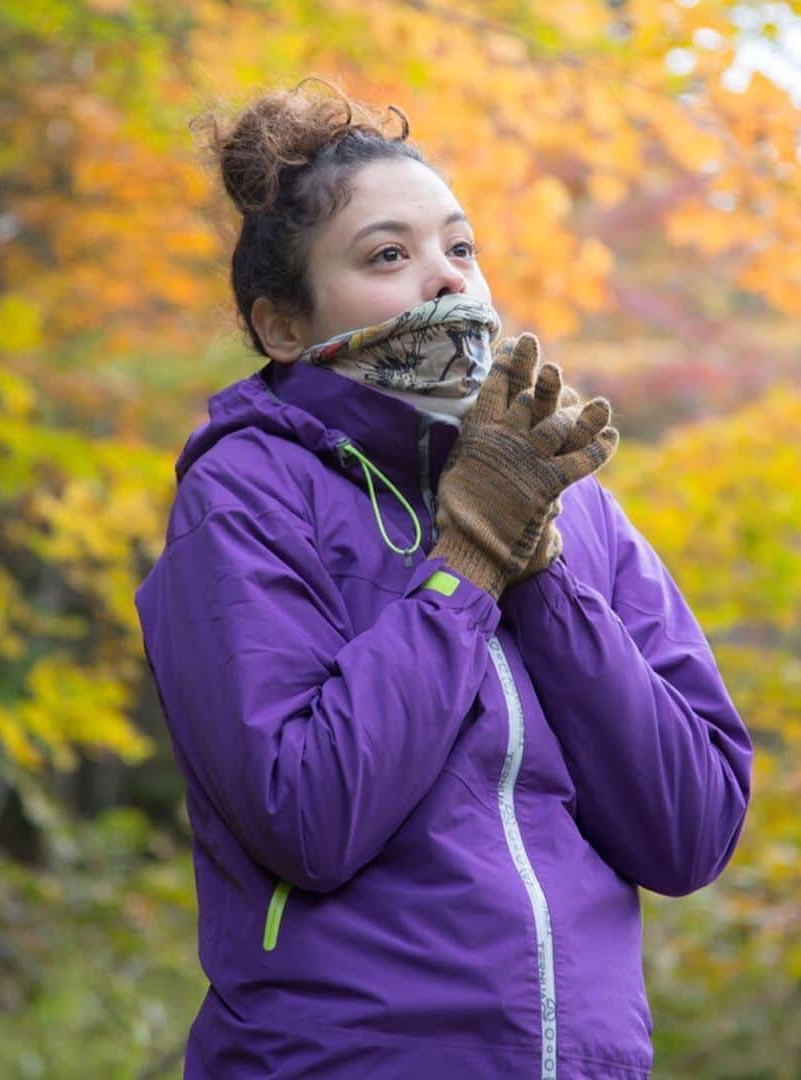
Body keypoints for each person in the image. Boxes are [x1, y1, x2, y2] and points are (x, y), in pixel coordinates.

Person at [134, 76, 753, 1080]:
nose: (447, 281)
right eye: (390, 255)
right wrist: (465, 564)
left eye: (460, 248)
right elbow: (306, 815)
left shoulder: (568, 500)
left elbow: (691, 828)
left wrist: (538, 564)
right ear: (286, 327)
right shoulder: (248, 492)